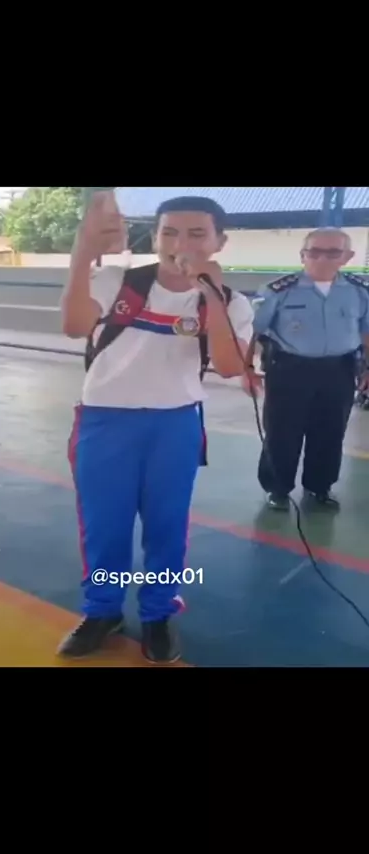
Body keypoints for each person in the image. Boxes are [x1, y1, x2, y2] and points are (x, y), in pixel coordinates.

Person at [58, 193, 254, 663]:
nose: (180, 243)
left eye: (196, 233)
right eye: (169, 232)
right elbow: (75, 325)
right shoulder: (118, 281)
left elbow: (231, 365)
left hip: (175, 424)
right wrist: (83, 251)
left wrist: (211, 293)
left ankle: (159, 614)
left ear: (220, 242)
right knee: (104, 526)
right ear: (156, 237)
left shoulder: (232, 303)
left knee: (167, 527)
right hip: (105, 421)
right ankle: (102, 610)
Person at [246, 227, 369, 511]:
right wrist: (246, 368)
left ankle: (319, 486)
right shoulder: (278, 290)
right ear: (303, 255)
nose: (322, 259)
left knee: (330, 431)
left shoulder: (359, 291)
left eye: (333, 252)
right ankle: (277, 488)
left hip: (340, 370)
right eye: (314, 252)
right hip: (289, 369)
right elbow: (252, 331)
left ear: (347, 256)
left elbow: (366, 332)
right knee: (282, 432)